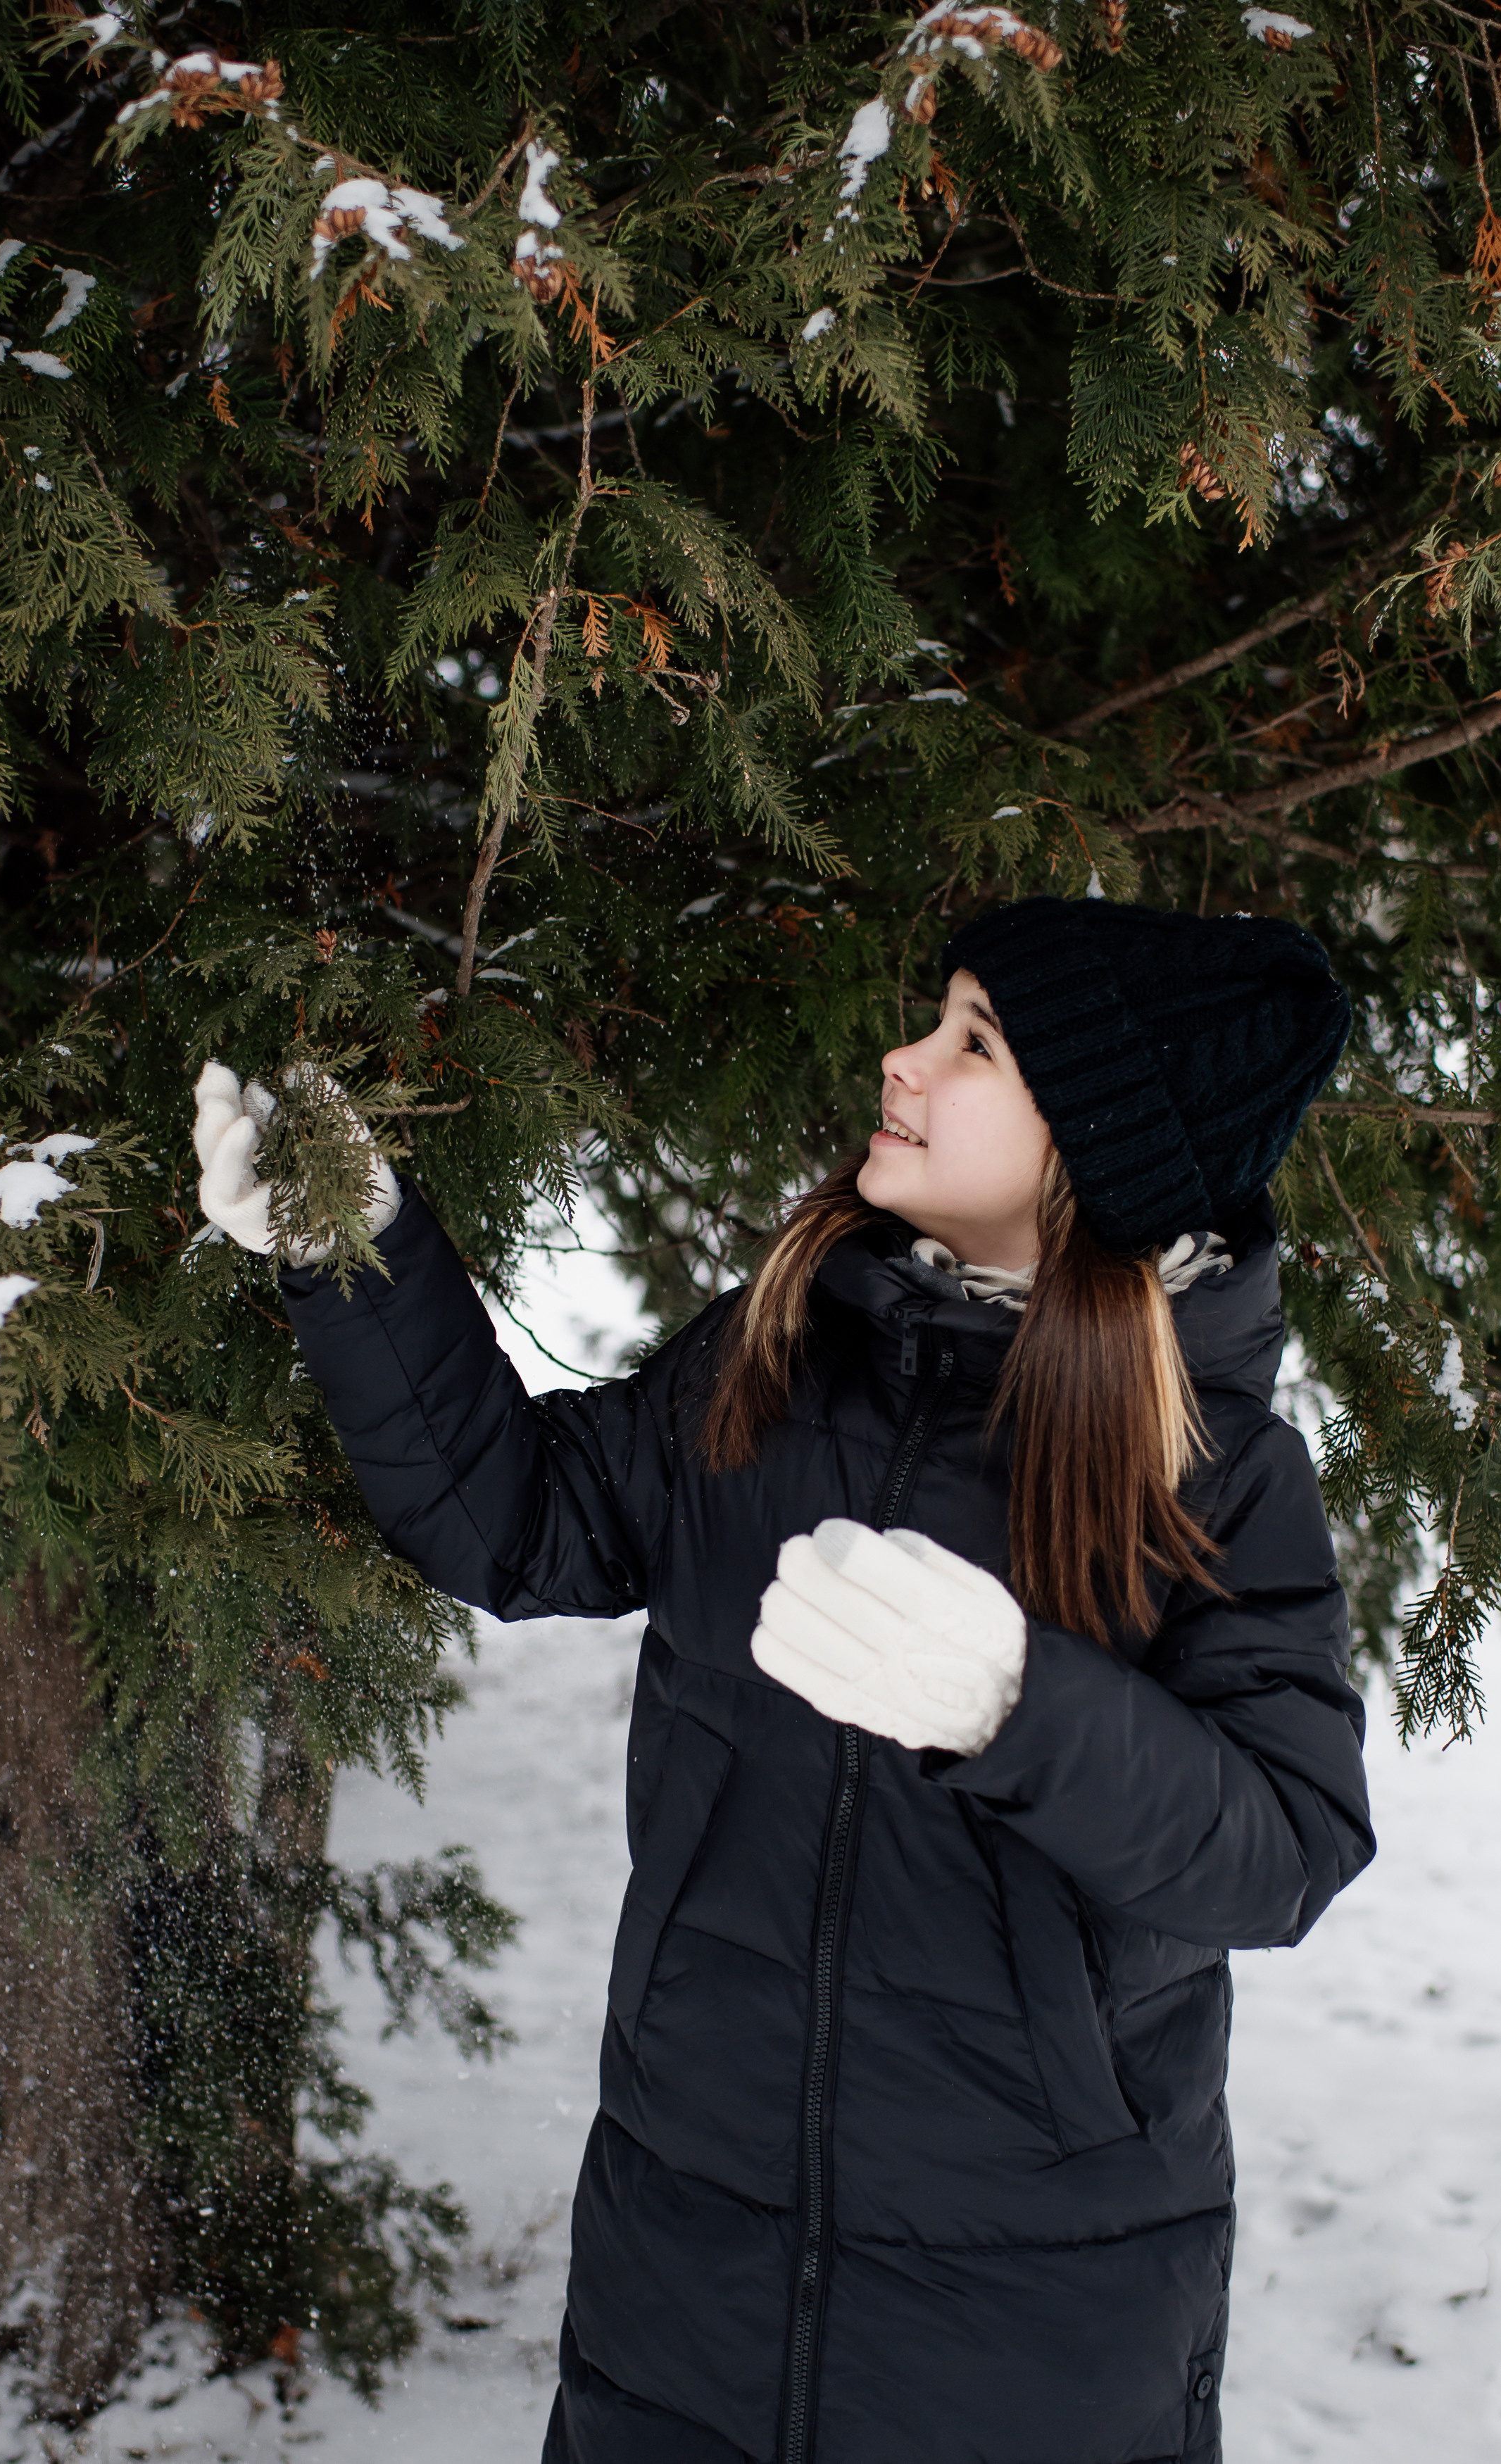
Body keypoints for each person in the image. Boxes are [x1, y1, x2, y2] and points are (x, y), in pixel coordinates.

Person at [191, 894, 1375, 2464]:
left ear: (1095, 1142)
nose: (904, 1058)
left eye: (975, 1041)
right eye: (933, 1016)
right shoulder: (790, 1347)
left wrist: (1016, 1708)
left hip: (1027, 2327)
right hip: (687, 2256)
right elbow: (521, 1524)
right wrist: (355, 1253)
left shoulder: (1205, 1468)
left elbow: (1285, 1842)